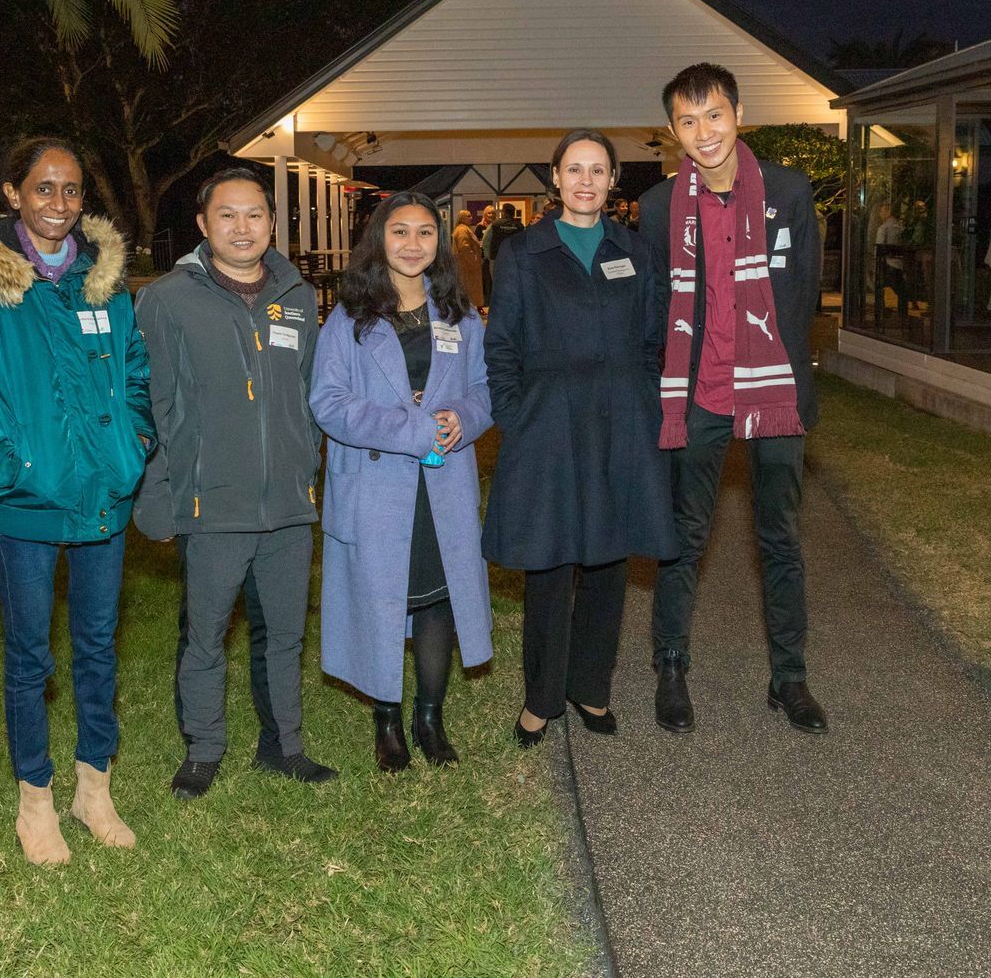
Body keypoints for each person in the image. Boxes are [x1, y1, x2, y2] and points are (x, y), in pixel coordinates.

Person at [0, 136, 147, 865]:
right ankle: (35, 801)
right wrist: (9, 465)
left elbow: (136, 376)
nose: (59, 205)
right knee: (28, 658)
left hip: (104, 497)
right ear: (12, 194)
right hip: (22, 506)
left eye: (72, 191)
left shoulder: (103, 284)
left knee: (99, 647)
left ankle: (94, 788)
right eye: (43, 189)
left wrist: (130, 445)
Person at [134, 167, 337, 799]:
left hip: (287, 507)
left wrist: (308, 465)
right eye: (227, 215)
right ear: (203, 224)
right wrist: (159, 491)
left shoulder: (299, 298)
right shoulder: (167, 300)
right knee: (205, 635)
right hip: (211, 505)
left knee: (284, 634)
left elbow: (312, 393)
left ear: (272, 223)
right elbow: (150, 404)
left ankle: (284, 745)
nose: (242, 227)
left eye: (254, 215)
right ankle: (204, 747)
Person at [639, 62, 827, 736]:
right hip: (700, 395)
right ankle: (670, 666)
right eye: (687, 121)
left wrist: (780, 374)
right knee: (683, 538)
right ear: (672, 131)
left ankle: (790, 678)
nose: (703, 131)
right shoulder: (659, 207)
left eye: (713, 114)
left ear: (738, 113)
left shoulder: (790, 192)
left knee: (779, 537)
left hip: (773, 392)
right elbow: (658, 302)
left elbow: (802, 293)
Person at [484, 130, 672, 746]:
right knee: (551, 561)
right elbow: (501, 344)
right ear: (555, 178)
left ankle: (590, 688)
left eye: (597, 170)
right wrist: (517, 418)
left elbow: (654, 342)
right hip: (550, 425)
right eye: (574, 169)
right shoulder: (522, 252)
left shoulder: (637, 252)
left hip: (621, 424)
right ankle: (541, 697)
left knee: (609, 561)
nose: (585, 180)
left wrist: (643, 406)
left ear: (613, 179)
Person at [310, 194, 494, 770]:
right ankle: (387, 720)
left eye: (424, 233)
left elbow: (488, 391)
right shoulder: (350, 319)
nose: (413, 244)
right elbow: (328, 403)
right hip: (375, 484)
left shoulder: (461, 317)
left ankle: (429, 715)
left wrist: (461, 419)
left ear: (439, 243)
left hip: (444, 486)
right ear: (379, 240)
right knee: (381, 594)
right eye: (399, 232)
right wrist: (410, 428)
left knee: (439, 596)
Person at [452, 208, 487, 309]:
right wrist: (474, 260)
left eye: (470, 215)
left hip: (466, 266)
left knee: (467, 290)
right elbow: (464, 247)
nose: (471, 218)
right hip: (467, 267)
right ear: (462, 218)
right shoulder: (462, 230)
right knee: (469, 290)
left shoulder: (462, 228)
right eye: (468, 216)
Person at [478, 205, 498, 302]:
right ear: (485, 214)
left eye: (493, 213)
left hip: (495, 257)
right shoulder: (480, 226)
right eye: (489, 213)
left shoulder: (497, 226)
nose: (491, 215)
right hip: (484, 258)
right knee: (486, 280)